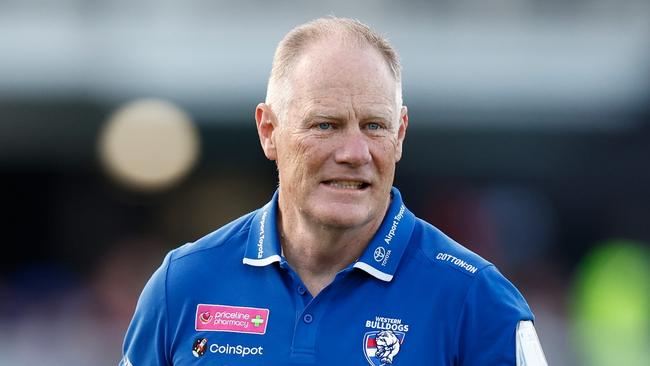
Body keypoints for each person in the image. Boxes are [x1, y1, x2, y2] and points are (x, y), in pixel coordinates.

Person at [119, 17, 547, 366]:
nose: (354, 153)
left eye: (374, 127)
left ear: (400, 134)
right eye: (326, 125)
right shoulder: (184, 284)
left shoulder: (476, 300)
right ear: (269, 132)